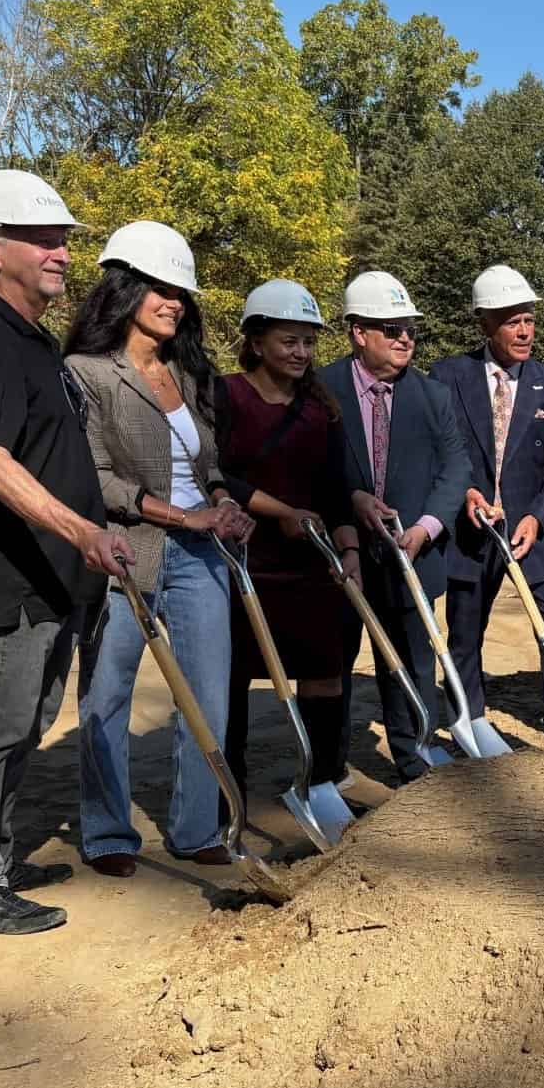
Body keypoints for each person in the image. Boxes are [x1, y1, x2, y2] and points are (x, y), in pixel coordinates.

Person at [0, 170, 130, 933]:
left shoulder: (30, 338)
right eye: (43, 240)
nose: (62, 254)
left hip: (50, 577)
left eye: (64, 241)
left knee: (24, 722)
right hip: (8, 577)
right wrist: (82, 532)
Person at [66, 222, 255, 878]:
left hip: (201, 556)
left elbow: (209, 463)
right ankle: (107, 833)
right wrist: (183, 514)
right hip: (125, 551)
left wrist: (222, 502)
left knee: (207, 697)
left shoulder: (187, 372)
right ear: (125, 290)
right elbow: (94, 476)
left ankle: (196, 827)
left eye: (180, 293)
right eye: (160, 290)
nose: (174, 303)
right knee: (106, 697)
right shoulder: (86, 373)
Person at [316, 271, 470, 783]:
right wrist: (349, 500)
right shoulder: (321, 390)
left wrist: (427, 525)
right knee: (332, 666)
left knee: (412, 661)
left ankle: (414, 758)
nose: (405, 338)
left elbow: (456, 468)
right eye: (391, 328)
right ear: (358, 332)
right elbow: (307, 468)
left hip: (413, 554)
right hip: (342, 556)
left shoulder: (432, 396)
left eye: (409, 329)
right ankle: (327, 769)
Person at [213, 280, 362, 802]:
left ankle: (318, 786)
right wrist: (281, 513)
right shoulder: (225, 395)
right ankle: (227, 797)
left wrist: (349, 551)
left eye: (309, 342)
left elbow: (337, 490)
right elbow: (214, 475)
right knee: (230, 681)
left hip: (312, 565)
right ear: (257, 343)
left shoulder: (321, 409)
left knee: (325, 674)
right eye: (289, 341)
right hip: (242, 562)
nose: (301, 352)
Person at [430, 264, 544, 739]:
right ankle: (467, 718)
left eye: (529, 320)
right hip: (472, 531)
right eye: (511, 321)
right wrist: (465, 494)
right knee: (465, 631)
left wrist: (537, 517)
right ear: (484, 324)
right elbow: (439, 453)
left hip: (533, 532)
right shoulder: (448, 377)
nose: (524, 332)